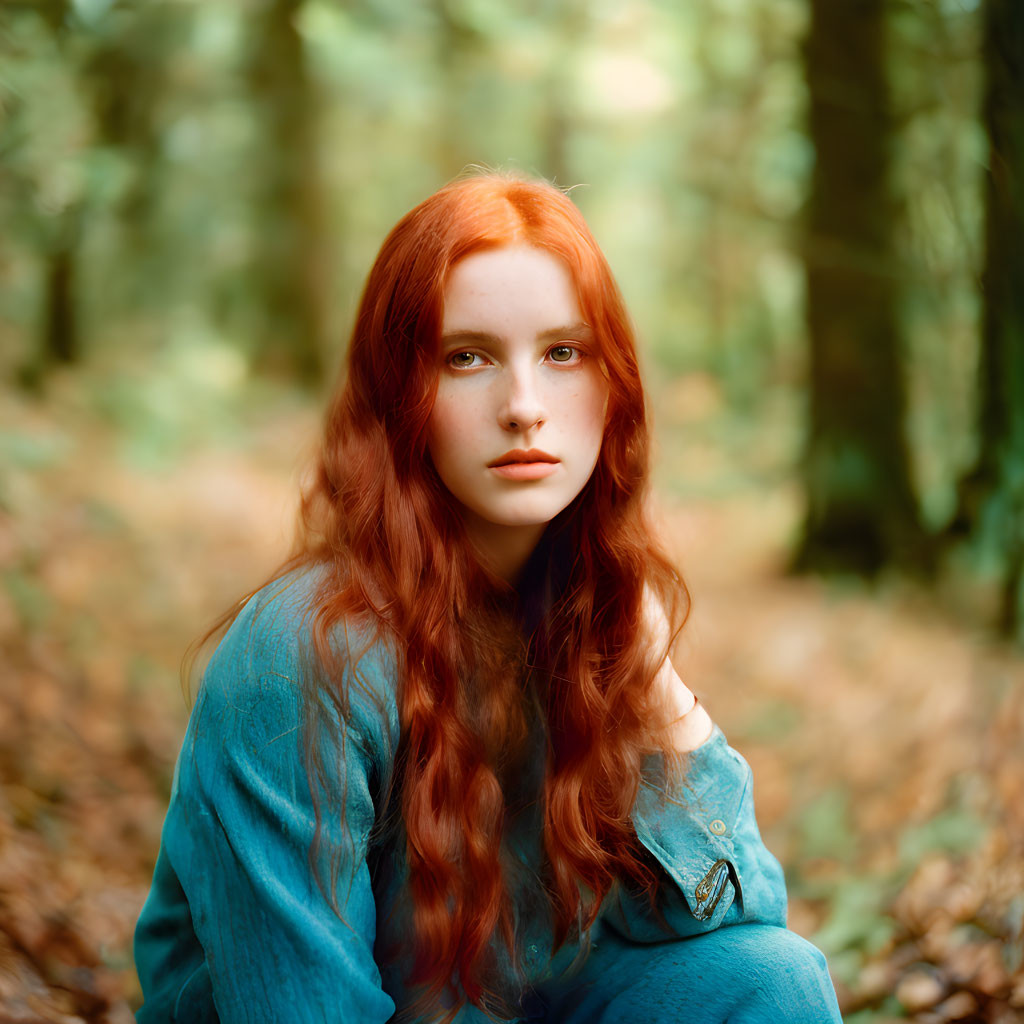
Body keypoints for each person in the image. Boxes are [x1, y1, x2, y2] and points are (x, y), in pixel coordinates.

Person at [133, 172, 842, 1024]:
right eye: (466, 356)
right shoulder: (300, 656)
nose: (524, 408)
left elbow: (741, 913)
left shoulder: (580, 612)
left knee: (774, 978)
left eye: (562, 353)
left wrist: (657, 684)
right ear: (403, 396)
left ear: (613, 386)